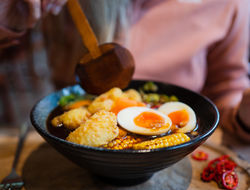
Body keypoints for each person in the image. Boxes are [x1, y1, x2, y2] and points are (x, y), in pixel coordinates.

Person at [0, 0, 249, 142]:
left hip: (177, 158)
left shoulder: (228, 4)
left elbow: (227, 88)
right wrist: (8, 19)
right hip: (67, 156)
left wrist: (244, 117)